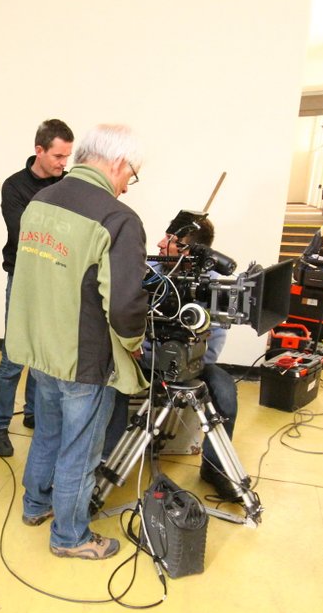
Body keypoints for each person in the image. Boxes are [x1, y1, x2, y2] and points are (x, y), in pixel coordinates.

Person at [6, 124, 148, 560]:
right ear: (118, 163)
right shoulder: (117, 219)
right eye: (131, 175)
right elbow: (124, 305)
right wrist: (134, 342)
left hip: (41, 347)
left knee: (48, 433)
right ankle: (70, 537)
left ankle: (36, 505)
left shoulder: (41, 201)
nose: (127, 186)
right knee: (80, 451)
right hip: (84, 357)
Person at [103, 214, 243, 501]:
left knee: (226, 392)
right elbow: (123, 316)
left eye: (169, 240)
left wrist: (187, 367)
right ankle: (107, 460)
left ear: (189, 251)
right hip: (145, 358)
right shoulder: (150, 272)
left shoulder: (211, 285)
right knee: (114, 383)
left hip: (192, 364)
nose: (159, 243)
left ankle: (215, 469)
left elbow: (214, 340)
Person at [0, 119, 73, 457]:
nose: (63, 163)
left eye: (67, 157)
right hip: (23, 278)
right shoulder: (15, 186)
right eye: (58, 156)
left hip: (56, 278)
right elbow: (24, 232)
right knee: (14, 357)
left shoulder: (67, 184)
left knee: (43, 351)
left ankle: (33, 412)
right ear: (39, 150)